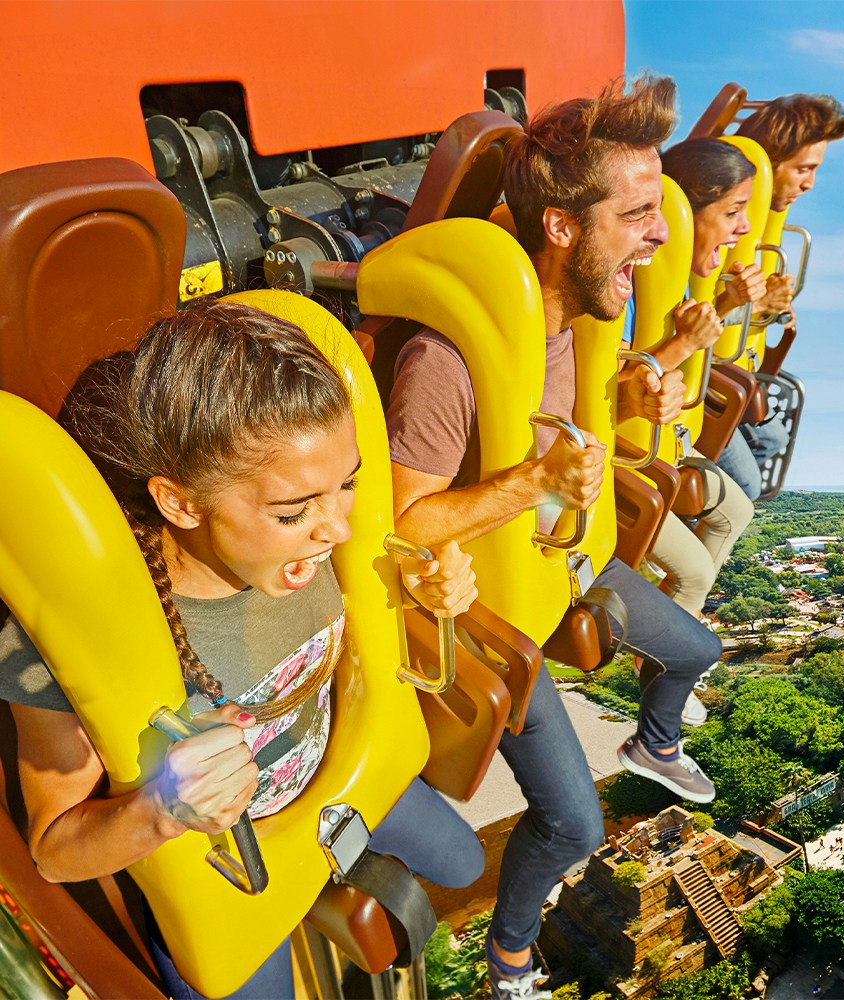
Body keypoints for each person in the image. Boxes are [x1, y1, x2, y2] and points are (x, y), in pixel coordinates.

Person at [0, 299, 484, 999]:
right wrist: (161, 809)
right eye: (294, 512)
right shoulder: (76, 637)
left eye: (345, 487)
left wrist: (427, 595)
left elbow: (365, 631)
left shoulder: (314, 549)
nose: (338, 532)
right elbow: (53, 850)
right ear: (182, 504)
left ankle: (321, 887)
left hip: (340, 777)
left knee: (464, 863)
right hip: (231, 863)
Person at [385, 74, 722, 998]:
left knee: (699, 645)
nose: (660, 235)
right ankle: (510, 956)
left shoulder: (576, 325)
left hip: (566, 563)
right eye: (640, 213)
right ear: (564, 228)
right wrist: (529, 483)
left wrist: (643, 382)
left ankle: (650, 740)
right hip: (497, 611)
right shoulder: (445, 363)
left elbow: (551, 423)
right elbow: (401, 522)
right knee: (574, 826)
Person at [633, 137, 761, 617]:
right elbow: (610, 380)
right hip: (625, 448)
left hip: (667, 435)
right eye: (733, 212)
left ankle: (670, 627)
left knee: (738, 508)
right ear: (687, 213)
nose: (744, 228)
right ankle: (669, 648)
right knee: (694, 574)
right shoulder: (636, 280)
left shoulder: (686, 281)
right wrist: (684, 344)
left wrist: (727, 305)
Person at [713, 93, 844, 500]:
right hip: (704, 376)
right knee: (747, 485)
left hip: (732, 367)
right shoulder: (713, 221)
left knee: (772, 437)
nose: (809, 184)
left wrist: (774, 309)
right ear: (769, 164)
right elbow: (690, 309)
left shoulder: (762, 225)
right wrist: (758, 308)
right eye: (804, 169)